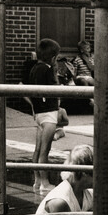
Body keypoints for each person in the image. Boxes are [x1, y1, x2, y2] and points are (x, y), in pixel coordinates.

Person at [29, 38, 68, 193]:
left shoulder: (34, 68)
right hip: (48, 114)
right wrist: (60, 86)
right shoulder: (46, 69)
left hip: (39, 113)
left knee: (38, 149)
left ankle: (37, 181)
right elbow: (51, 88)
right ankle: (45, 183)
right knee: (45, 150)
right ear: (53, 58)